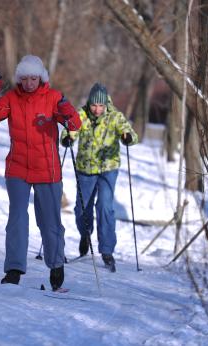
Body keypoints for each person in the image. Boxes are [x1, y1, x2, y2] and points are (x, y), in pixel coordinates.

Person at [0, 55, 81, 290]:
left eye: (34, 78)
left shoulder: (54, 98)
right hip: (18, 167)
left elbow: (75, 125)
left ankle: (56, 269)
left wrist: (66, 110)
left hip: (48, 169)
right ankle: (13, 271)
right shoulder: (12, 98)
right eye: (24, 79)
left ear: (41, 77)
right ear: (19, 79)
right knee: (17, 218)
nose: (29, 83)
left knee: (50, 221)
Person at [60, 82, 138, 270]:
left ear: (106, 104)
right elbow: (69, 130)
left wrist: (127, 137)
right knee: (81, 208)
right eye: (94, 105)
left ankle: (107, 250)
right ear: (90, 103)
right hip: (85, 169)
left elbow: (130, 134)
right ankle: (85, 234)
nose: (97, 109)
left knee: (104, 206)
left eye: (101, 106)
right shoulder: (81, 114)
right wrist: (68, 138)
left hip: (108, 168)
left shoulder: (115, 117)